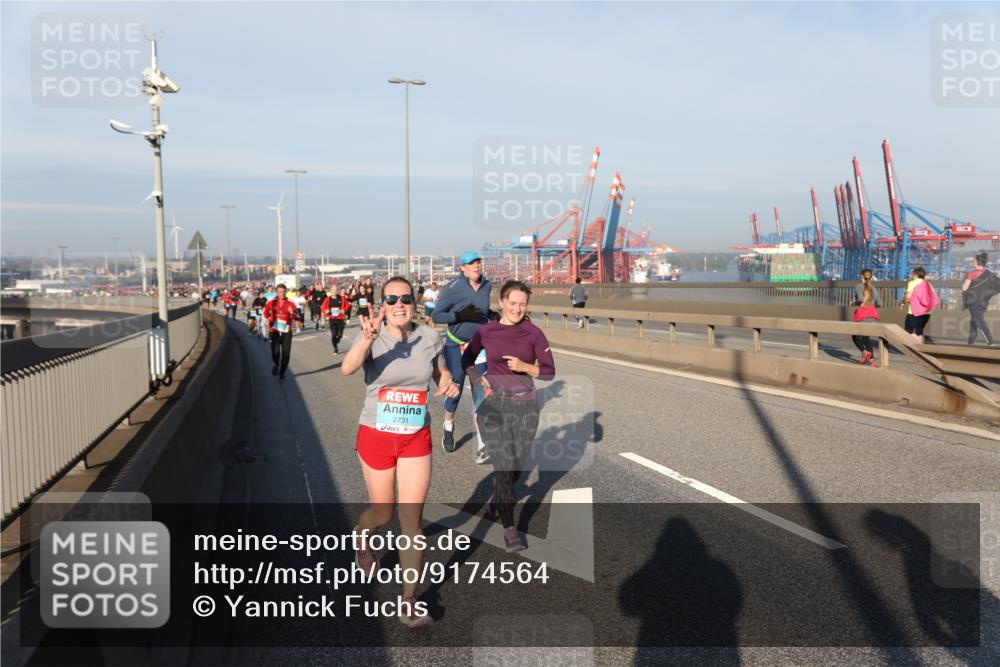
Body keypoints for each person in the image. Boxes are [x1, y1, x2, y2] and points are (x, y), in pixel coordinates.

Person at [340, 276, 459, 628]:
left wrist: (448, 382)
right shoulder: (373, 336)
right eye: (391, 299)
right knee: (383, 512)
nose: (399, 304)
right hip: (376, 435)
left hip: (414, 438)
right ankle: (362, 535)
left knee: (411, 519)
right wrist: (367, 338)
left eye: (405, 298)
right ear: (383, 305)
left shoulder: (430, 337)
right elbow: (347, 368)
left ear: (415, 302)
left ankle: (409, 599)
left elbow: (440, 372)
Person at [463, 280, 555, 552]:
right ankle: (510, 528)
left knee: (515, 468)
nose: (517, 308)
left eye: (522, 304)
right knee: (504, 467)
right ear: (502, 302)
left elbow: (549, 371)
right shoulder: (486, 331)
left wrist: (526, 367)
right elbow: (467, 360)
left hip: (526, 406)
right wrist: (478, 380)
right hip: (494, 406)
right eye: (512, 303)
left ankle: (499, 498)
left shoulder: (533, 333)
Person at [432, 252, 492, 462]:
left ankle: (483, 446)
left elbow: (483, 310)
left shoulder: (487, 285)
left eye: (478, 262)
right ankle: (448, 426)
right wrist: (458, 316)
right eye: (471, 263)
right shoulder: (452, 287)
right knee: (454, 393)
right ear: (463, 268)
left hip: (478, 349)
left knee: (481, 394)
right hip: (455, 346)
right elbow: (436, 315)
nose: (476, 266)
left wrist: (491, 315)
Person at [264, 284, 301, 379]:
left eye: (284, 292)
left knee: (286, 355)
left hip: (286, 332)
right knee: (275, 352)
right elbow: (265, 313)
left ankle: (282, 372)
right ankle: (275, 364)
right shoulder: (271, 302)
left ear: (286, 292)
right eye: (280, 292)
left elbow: (298, 317)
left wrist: (292, 313)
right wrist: (268, 318)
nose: (282, 293)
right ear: (277, 292)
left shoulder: (290, 303)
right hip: (274, 331)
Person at [962, 252, 997, 346]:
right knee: (975, 320)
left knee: (978, 320)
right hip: (984, 301)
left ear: (977, 262)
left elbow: (964, 288)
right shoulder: (989, 274)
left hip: (973, 301)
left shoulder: (971, 273)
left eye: (974, 260)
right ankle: (970, 343)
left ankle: (990, 342)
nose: (972, 261)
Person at [900, 266, 939, 345]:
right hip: (926, 313)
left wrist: (903, 302)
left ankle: (914, 350)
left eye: (912, 274)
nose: (911, 275)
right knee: (919, 332)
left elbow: (908, 297)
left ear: (916, 274)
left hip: (914, 313)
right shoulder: (928, 283)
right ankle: (921, 350)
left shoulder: (912, 283)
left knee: (910, 332)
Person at [851, 268, 882, 366]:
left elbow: (860, 300)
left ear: (861, 276)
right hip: (872, 316)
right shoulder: (874, 288)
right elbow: (879, 304)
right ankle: (871, 359)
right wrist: (871, 305)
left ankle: (864, 352)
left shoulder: (858, 287)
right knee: (866, 337)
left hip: (862, 315)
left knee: (854, 336)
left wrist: (854, 302)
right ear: (871, 278)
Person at [321, 285, 349, 353]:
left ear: (337, 291)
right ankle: (335, 348)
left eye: (336, 290)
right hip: (332, 318)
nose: (335, 292)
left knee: (340, 335)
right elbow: (322, 307)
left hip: (340, 318)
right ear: (331, 291)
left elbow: (347, 305)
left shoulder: (341, 298)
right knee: (333, 334)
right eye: (333, 290)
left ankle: (337, 339)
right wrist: (325, 311)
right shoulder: (328, 299)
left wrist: (344, 310)